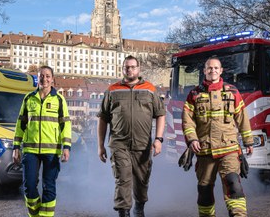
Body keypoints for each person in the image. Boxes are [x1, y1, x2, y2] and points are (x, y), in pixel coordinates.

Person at [181, 57, 254, 217]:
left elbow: (242, 118)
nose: (212, 70)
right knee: (204, 191)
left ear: (221, 71)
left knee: (233, 185)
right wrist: (192, 139)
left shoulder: (233, 92)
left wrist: (248, 141)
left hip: (229, 150)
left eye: (215, 68)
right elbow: (187, 120)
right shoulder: (194, 94)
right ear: (204, 71)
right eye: (209, 68)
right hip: (205, 151)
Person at [97, 55, 166, 217]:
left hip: (143, 145)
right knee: (123, 179)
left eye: (133, 67)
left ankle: (139, 208)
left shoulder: (150, 89)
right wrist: (100, 146)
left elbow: (160, 114)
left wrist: (158, 139)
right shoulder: (112, 90)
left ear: (139, 69)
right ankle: (124, 212)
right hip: (119, 144)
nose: (130, 69)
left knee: (142, 181)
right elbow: (103, 119)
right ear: (122, 69)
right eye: (127, 67)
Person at [12, 66, 72, 217]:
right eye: (41, 76)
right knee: (29, 187)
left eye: (47, 76)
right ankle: (35, 215)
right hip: (30, 151)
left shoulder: (59, 99)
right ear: (37, 78)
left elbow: (65, 125)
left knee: (49, 187)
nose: (44, 79)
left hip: (52, 151)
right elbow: (20, 124)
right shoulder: (28, 98)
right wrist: (16, 147)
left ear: (52, 79)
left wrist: (66, 147)